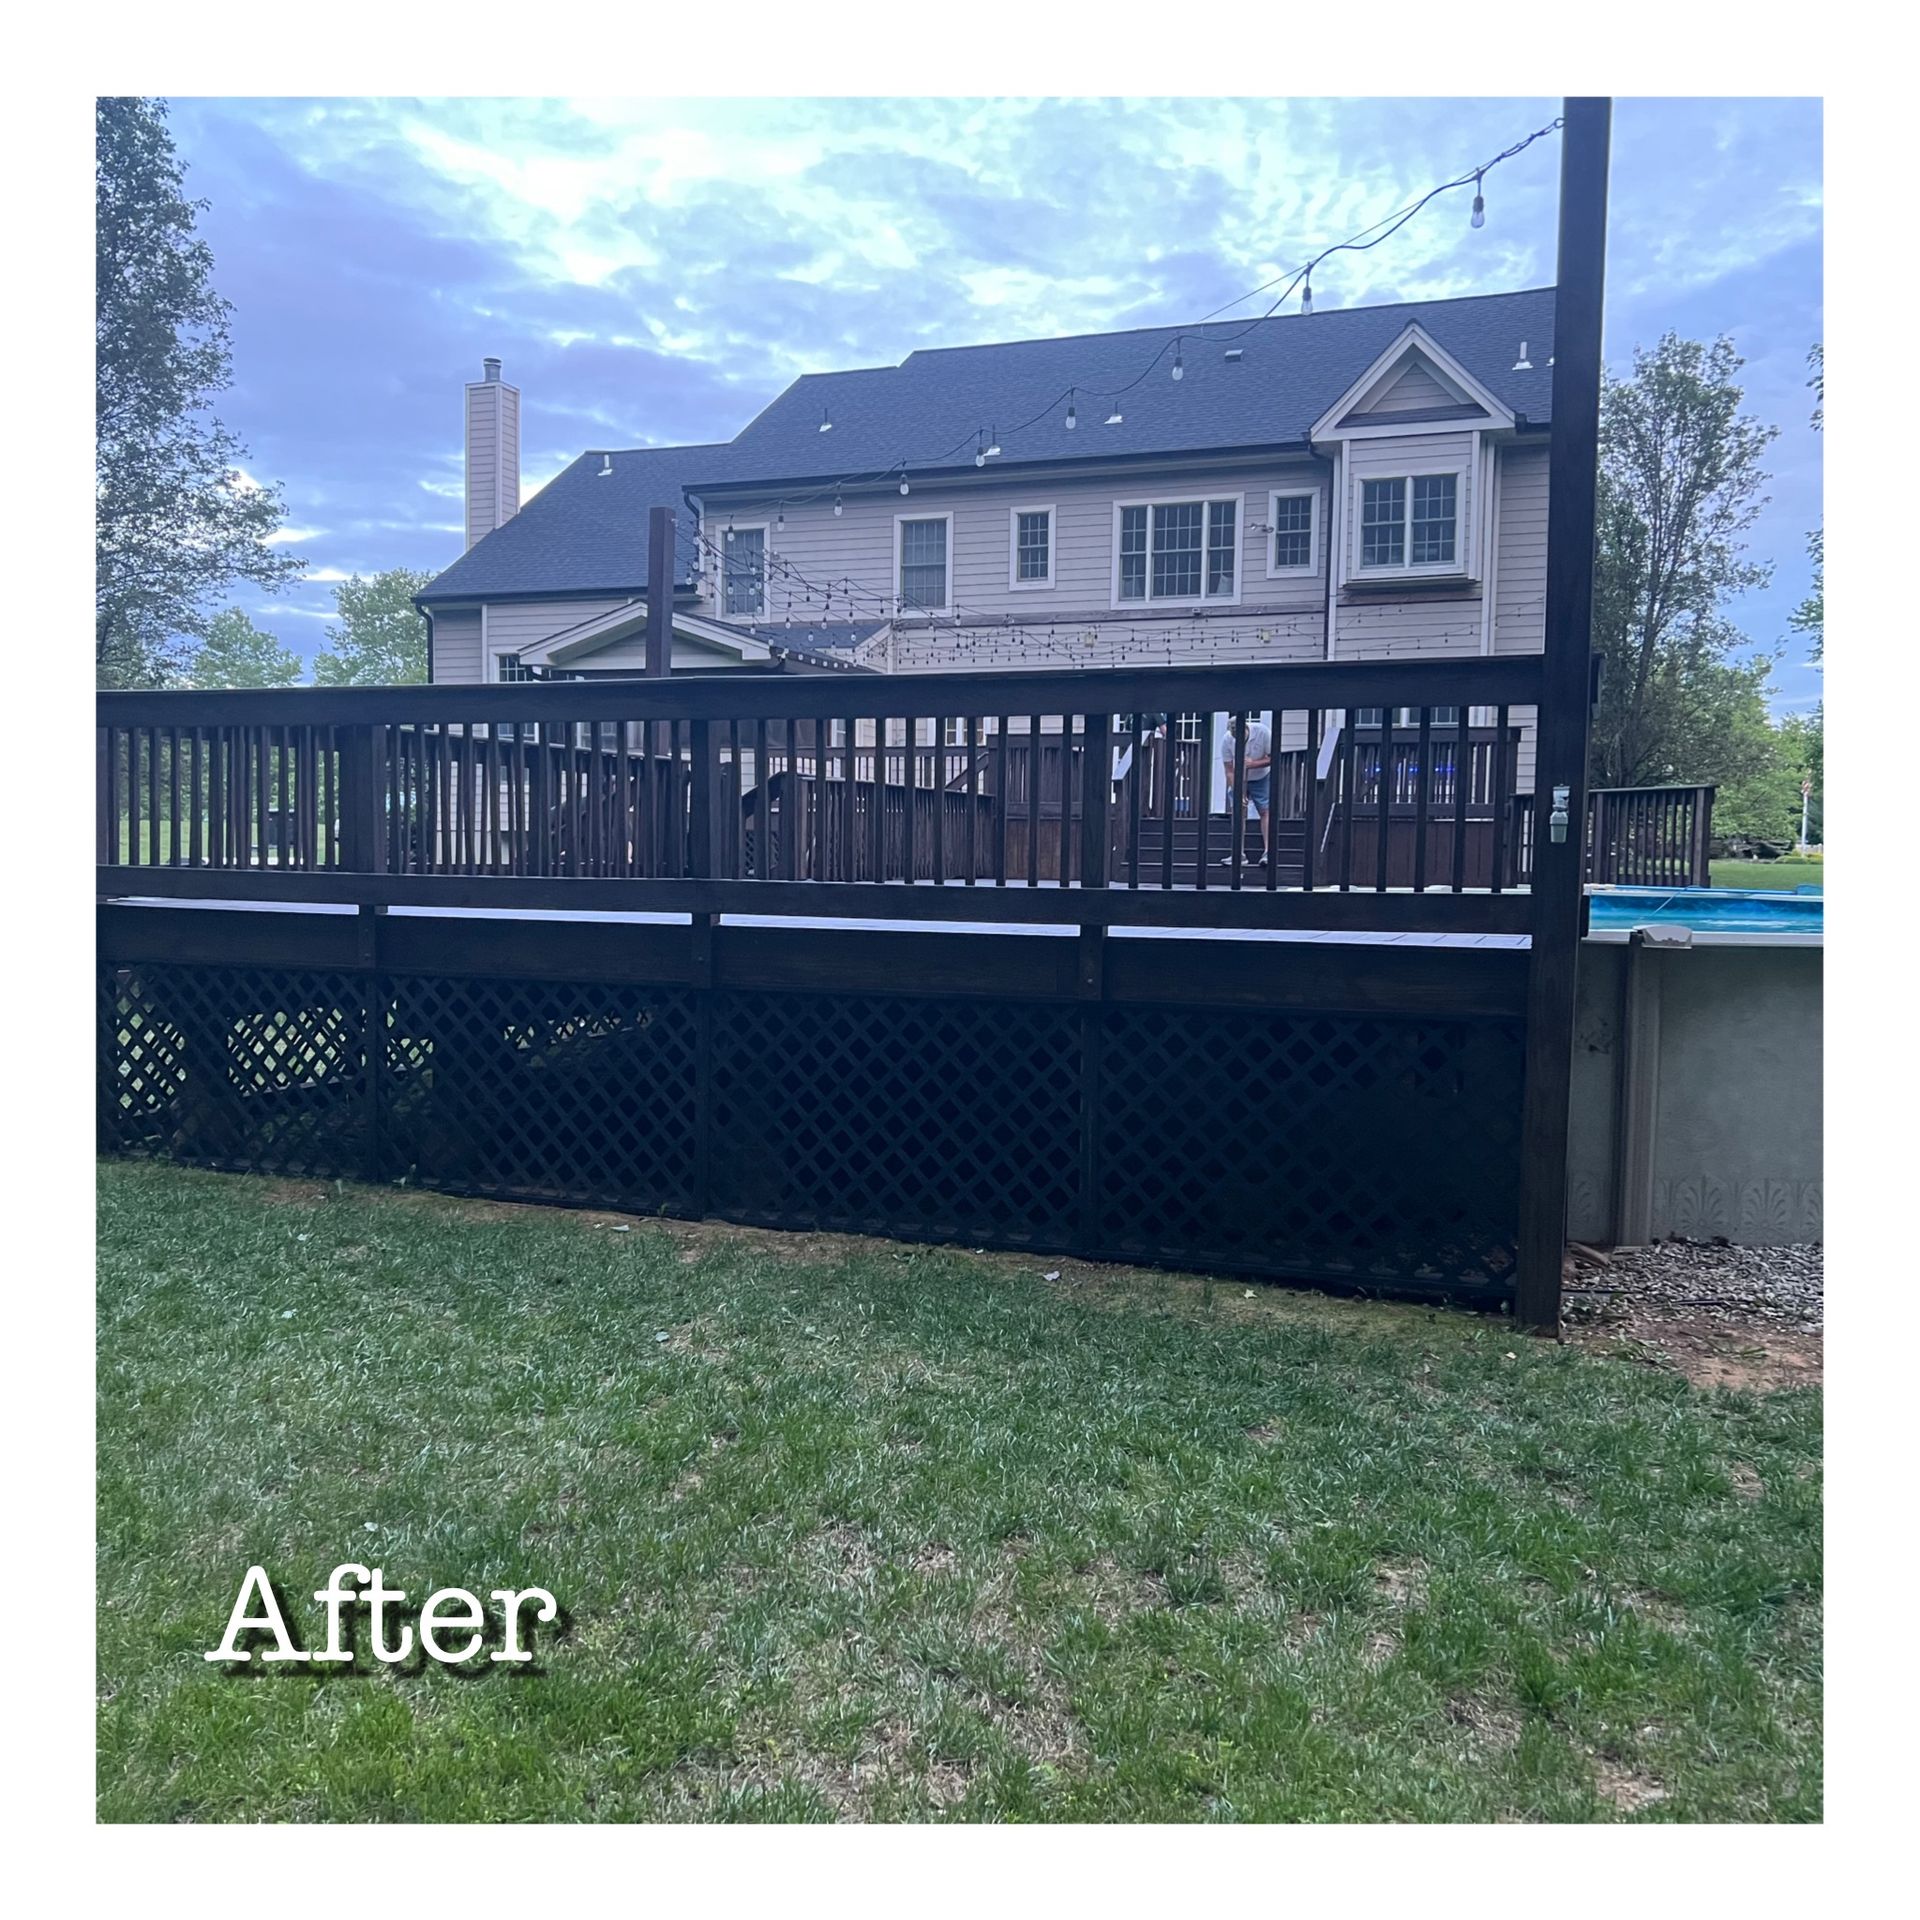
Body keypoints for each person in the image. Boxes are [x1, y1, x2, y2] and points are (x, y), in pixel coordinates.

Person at [1218, 714, 1273, 865]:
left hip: (1262, 777)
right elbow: (1229, 770)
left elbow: (1273, 757)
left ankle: (1268, 852)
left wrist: (1254, 763)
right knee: (1238, 812)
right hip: (1240, 778)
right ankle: (1238, 853)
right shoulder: (1227, 740)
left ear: (1247, 728)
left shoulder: (1263, 732)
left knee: (1265, 811)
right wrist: (1236, 790)